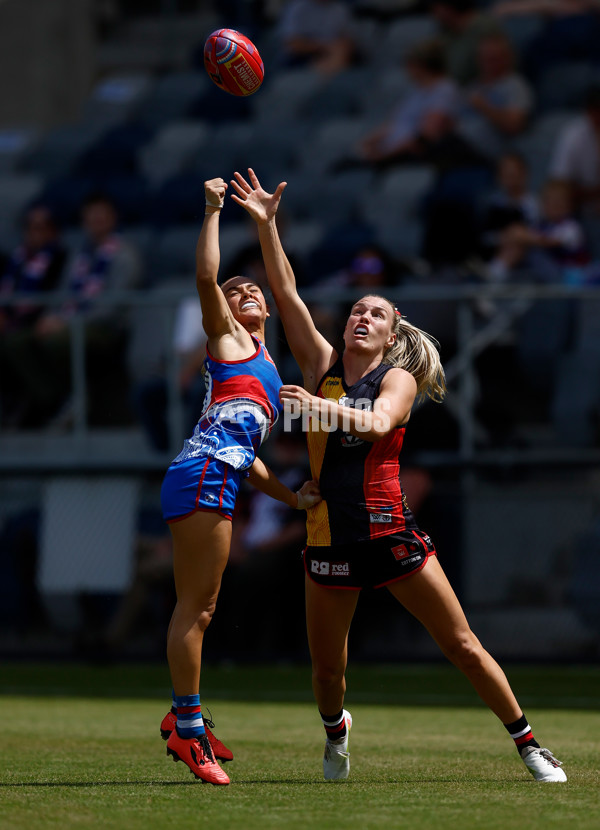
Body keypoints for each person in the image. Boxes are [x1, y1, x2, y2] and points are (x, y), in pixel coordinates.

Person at [230, 167, 568, 784]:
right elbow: (285, 295)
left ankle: (530, 745)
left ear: (391, 333)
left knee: (461, 644)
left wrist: (313, 408)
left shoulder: (396, 378)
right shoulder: (321, 362)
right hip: (328, 533)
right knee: (328, 671)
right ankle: (337, 736)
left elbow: (381, 423)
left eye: (375, 314)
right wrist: (267, 225)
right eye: (357, 309)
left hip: (388, 528)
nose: (362, 316)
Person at [159, 176, 321, 785]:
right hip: (203, 475)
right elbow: (205, 280)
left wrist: (291, 496)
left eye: (253, 287)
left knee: (201, 608)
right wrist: (211, 210)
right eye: (237, 289)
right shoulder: (226, 338)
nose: (245, 289)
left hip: (211, 474)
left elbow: (248, 455)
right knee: (196, 611)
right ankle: (188, 729)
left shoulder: (265, 365)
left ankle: (187, 721)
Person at [0, 204, 67, 426]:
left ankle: (47, 403)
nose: (35, 233)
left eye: (41, 227)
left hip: (41, 322)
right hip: (13, 323)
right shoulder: (15, 260)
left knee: (15, 343)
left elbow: (57, 297)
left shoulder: (61, 259)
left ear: (53, 231)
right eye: (31, 227)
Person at [460, 33, 533, 160]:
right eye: (484, 58)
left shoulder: (515, 86)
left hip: (489, 153)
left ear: (506, 59)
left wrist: (484, 107)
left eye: (493, 59)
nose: (487, 63)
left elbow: (514, 126)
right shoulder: (473, 87)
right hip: (460, 147)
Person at [431, 0, 505, 86]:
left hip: (484, 90)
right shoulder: (445, 31)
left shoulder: (484, 28)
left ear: (447, 8)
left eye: (436, 9)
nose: (434, 15)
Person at [277, 0, 356, 75]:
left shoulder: (339, 9)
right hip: (300, 56)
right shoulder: (298, 8)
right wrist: (323, 46)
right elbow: (293, 44)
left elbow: (346, 39)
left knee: (343, 50)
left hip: (331, 54)